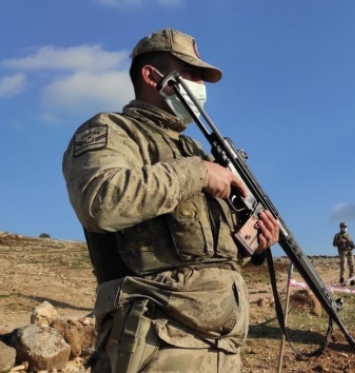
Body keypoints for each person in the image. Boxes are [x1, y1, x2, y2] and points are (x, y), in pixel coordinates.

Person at [62, 28, 280, 373]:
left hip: (222, 347)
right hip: (156, 341)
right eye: (191, 74)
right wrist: (199, 174)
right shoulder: (112, 130)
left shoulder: (192, 150)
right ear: (152, 76)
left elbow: (207, 251)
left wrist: (255, 242)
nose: (200, 87)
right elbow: (100, 202)